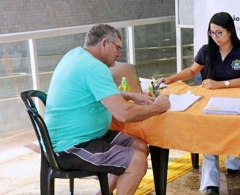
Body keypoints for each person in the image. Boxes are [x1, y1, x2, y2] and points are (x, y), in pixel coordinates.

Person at [44, 24, 171, 195]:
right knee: (137, 161)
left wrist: (130, 95)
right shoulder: (94, 68)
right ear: (104, 43)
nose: (119, 54)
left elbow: (95, 90)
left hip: (88, 136)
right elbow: (124, 113)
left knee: (141, 147)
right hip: (70, 147)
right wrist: (157, 107)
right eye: (117, 48)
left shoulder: (75, 55)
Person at [162, 12, 240, 195]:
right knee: (209, 134)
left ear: (230, 31)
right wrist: (171, 78)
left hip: (235, 99)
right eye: (211, 33)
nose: (215, 37)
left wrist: (220, 84)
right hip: (210, 101)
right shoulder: (207, 50)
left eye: (219, 33)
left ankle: (233, 161)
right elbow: (191, 71)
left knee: (233, 128)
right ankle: (210, 184)